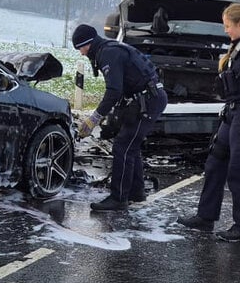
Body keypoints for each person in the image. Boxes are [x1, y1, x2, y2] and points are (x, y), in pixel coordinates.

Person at [177, 3, 240, 242]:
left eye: (228, 25)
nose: (226, 30)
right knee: (214, 163)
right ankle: (205, 216)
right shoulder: (238, 46)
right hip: (232, 112)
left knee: (239, 170)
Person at [72, 23, 168, 211]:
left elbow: (114, 90)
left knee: (122, 146)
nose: (81, 53)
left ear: (88, 43)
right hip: (148, 98)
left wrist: (95, 118)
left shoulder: (108, 54)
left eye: (80, 48)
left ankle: (118, 198)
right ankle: (136, 191)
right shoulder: (109, 49)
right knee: (131, 145)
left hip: (148, 100)